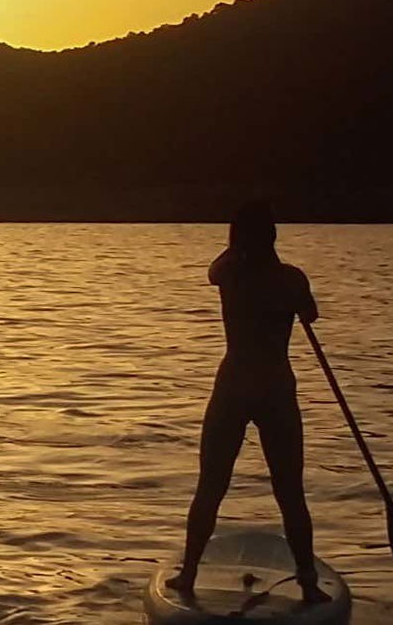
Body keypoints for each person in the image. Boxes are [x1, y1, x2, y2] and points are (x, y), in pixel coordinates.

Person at [166, 201, 329, 603]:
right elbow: (311, 313)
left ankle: (188, 575)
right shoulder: (292, 279)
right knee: (289, 490)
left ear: (236, 238)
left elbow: (213, 269)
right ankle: (308, 581)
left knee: (211, 486)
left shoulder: (229, 274)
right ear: (273, 236)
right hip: (276, 388)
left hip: (234, 387)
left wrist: (237, 245)